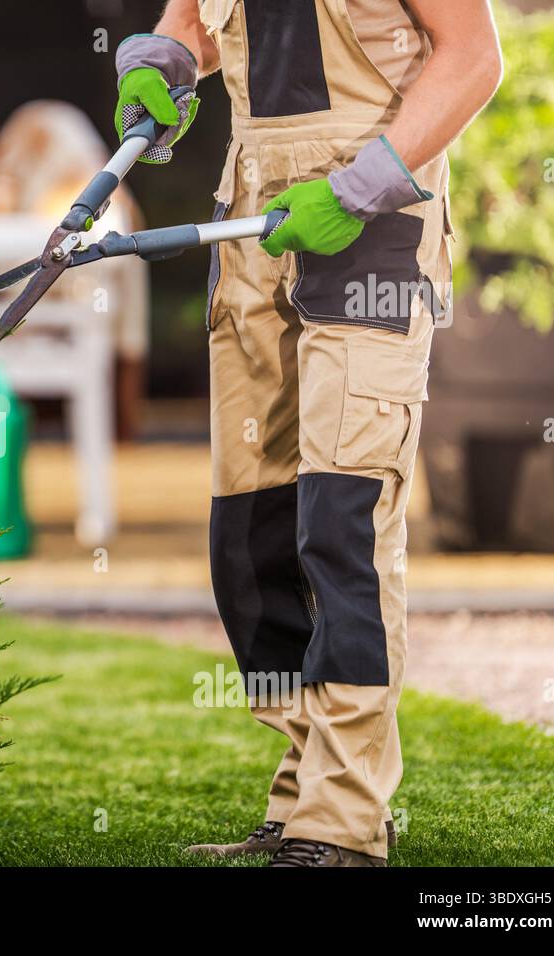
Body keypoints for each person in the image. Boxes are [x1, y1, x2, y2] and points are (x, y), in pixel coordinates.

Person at [115, 0, 502, 866]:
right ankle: (301, 795)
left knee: (342, 520)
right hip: (253, 218)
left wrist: (357, 189)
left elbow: (473, 58)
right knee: (249, 533)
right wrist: (161, 64)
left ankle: (343, 818)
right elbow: (194, 23)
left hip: (372, 216)